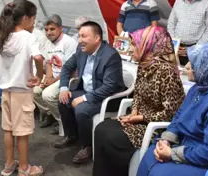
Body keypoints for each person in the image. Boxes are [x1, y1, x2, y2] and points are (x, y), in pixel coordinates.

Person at [137, 42, 208, 176]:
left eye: (195, 63)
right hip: (188, 149)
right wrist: (167, 140)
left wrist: (172, 154)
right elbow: (179, 116)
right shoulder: (199, 88)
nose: (187, 66)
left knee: (159, 172)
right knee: (150, 156)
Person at [92, 26, 185, 176]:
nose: (130, 49)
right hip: (139, 119)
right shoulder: (144, 65)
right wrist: (133, 112)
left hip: (156, 127)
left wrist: (139, 118)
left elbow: (171, 114)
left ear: (149, 46)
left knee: (112, 137)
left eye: (135, 44)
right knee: (102, 128)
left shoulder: (167, 72)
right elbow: (138, 95)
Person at [0, 0, 44, 176]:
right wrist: (38, 76)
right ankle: (24, 168)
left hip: (5, 92)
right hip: (22, 93)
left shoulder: (2, 36)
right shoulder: (28, 37)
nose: (34, 22)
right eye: (33, 19)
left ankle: (9, 165)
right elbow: (38, 58)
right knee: (22, 133)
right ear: (24, 18)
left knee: (8, 130)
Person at [52, 21, 125, 163]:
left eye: (84, 36)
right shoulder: (81, 50)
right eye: (79, 36)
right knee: (63, 100)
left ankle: (87, 146)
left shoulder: (110, 56)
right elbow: (67, 67)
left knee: (81, 110)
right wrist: (64, 88)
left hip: (106, 97)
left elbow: (109, 87)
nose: (80, 41)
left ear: (97, 38)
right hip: (86, 90)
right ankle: (72, 135)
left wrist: (85, 98)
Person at [33, 14, 77, 134]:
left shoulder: (69, 42)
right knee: (34, 90)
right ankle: (51, 114)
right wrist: (48, 78)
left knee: (47, 95)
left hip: (67, 77)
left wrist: (52, 81)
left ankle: (63, 122)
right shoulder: (48, 42)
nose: (48, 33)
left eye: (52, 29)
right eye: (46, 30)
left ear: (60, 28)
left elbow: (69, 68)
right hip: (54, 77)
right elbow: (48, 62)